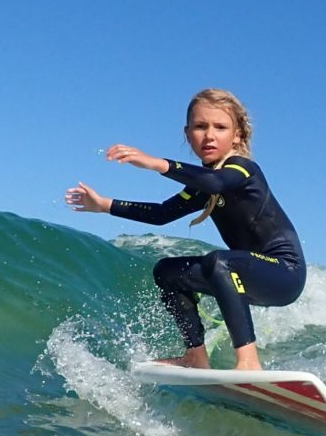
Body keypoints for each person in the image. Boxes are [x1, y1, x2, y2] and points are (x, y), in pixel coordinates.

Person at [65, 89, 305, 371]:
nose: (209, 135)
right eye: (200, 126)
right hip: (247, 275)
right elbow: (162, 213)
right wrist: (105, 205)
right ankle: (196, 357)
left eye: (220, 127)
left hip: (283, 273)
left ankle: (249, 362)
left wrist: (157, 164)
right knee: (167, 272)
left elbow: (217, 183)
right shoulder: (202, 185)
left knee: (220, 261)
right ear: (188, 133)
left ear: (237, 135)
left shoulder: (243, 170)